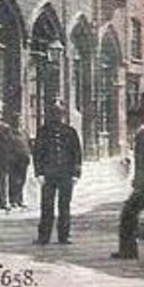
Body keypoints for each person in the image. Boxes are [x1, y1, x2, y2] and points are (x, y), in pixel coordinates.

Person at [112, 108, 144, 259]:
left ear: (139, 119)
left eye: (131, 118)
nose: (129, 122)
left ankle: (128, 251)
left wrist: (141, 183)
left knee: (128, 215)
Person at [33, 102, 82, 245]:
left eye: (59, 113)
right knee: (47, 205)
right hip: (49, 175)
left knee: (64, 206)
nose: (56, 116)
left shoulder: (70, 132)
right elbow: (38, 154)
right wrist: (39, 173)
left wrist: (76, 174)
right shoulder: (43, 131)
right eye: (54, 113)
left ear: (63, 115)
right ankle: (44, 236)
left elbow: (77, 154)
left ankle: (64, 236)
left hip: (66, 174)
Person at [4, 119, 32, 209]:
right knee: (13, 180)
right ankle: (13, 200)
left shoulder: (24, 132)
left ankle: (20, 199)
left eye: (20, 121)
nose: (19, 122)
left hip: (23, 159)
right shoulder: (9, 133)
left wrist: (29, 155)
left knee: (22, 180)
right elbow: (6, 146)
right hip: (13, 160)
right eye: (16, 121)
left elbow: (28, 144)